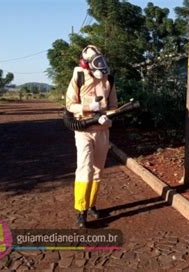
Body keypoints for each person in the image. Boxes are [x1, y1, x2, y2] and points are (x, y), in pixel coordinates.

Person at [65, 45, 117, 228]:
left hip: (102, 131)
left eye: (101, 60)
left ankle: (92, 204)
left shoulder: (109, 79)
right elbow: (70, 105)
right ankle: (81, 210)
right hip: (83, 131)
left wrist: (107, 118)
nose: (100, 65)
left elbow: (113, 106)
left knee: (98, 171)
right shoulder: (78, 76)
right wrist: (88, 109)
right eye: (95, 61)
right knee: (84, 169)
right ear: (85, 63)